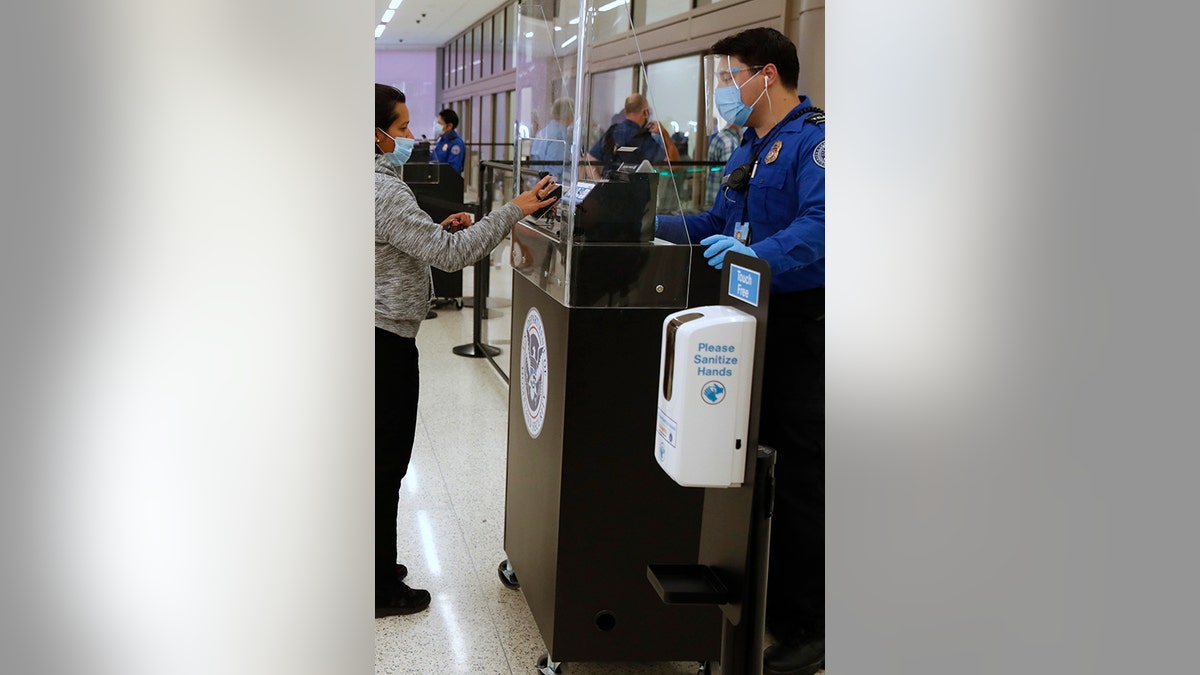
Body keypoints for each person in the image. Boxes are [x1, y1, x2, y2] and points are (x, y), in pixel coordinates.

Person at [653, 28, 825, 675]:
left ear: (768, 74)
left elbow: (824, 227)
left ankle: (811, 625)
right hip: (745, 319)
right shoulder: (746, 150)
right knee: (757, 466)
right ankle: (771, 595)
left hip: (800, 326)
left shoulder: (813, 142)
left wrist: (759, 254)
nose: (726, 89)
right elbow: (714, 227)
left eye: (732, 76)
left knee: (802, 473)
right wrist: (642, 220)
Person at [375, 83, 556, 618]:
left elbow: (407, 241)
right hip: (383, 343)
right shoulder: (383, 190)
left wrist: (433, 228)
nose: (411, 137)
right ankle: (379, 587)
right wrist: (511, 212)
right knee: (384, 465)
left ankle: (374, 563)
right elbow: (453, 258)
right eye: (403, 127)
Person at [585, 93, 679, 177]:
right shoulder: (643, 139)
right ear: (645, 112)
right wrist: (664, 133)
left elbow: (590, 159)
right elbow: (674, 165)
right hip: (634, 193)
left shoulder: (612, 131)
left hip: (609, 192)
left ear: (625, 112)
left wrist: (601, 184)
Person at [529, 97, 574, 181]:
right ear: (570, 114)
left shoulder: (543, 132)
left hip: (538, 183)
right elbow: (554, 169)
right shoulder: (559, 136)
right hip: (551, 188)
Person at [704, 121, 741, 206]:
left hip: (712, 198)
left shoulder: (720, 137)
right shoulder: (729, 142)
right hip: (721, 203)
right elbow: (731, 179)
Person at [432, 108, 466, 175]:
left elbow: (453, 168)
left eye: (440, 124)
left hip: (448, 181)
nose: (437, 126)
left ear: (449, 126)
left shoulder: (456, 144)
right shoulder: (441, 139)